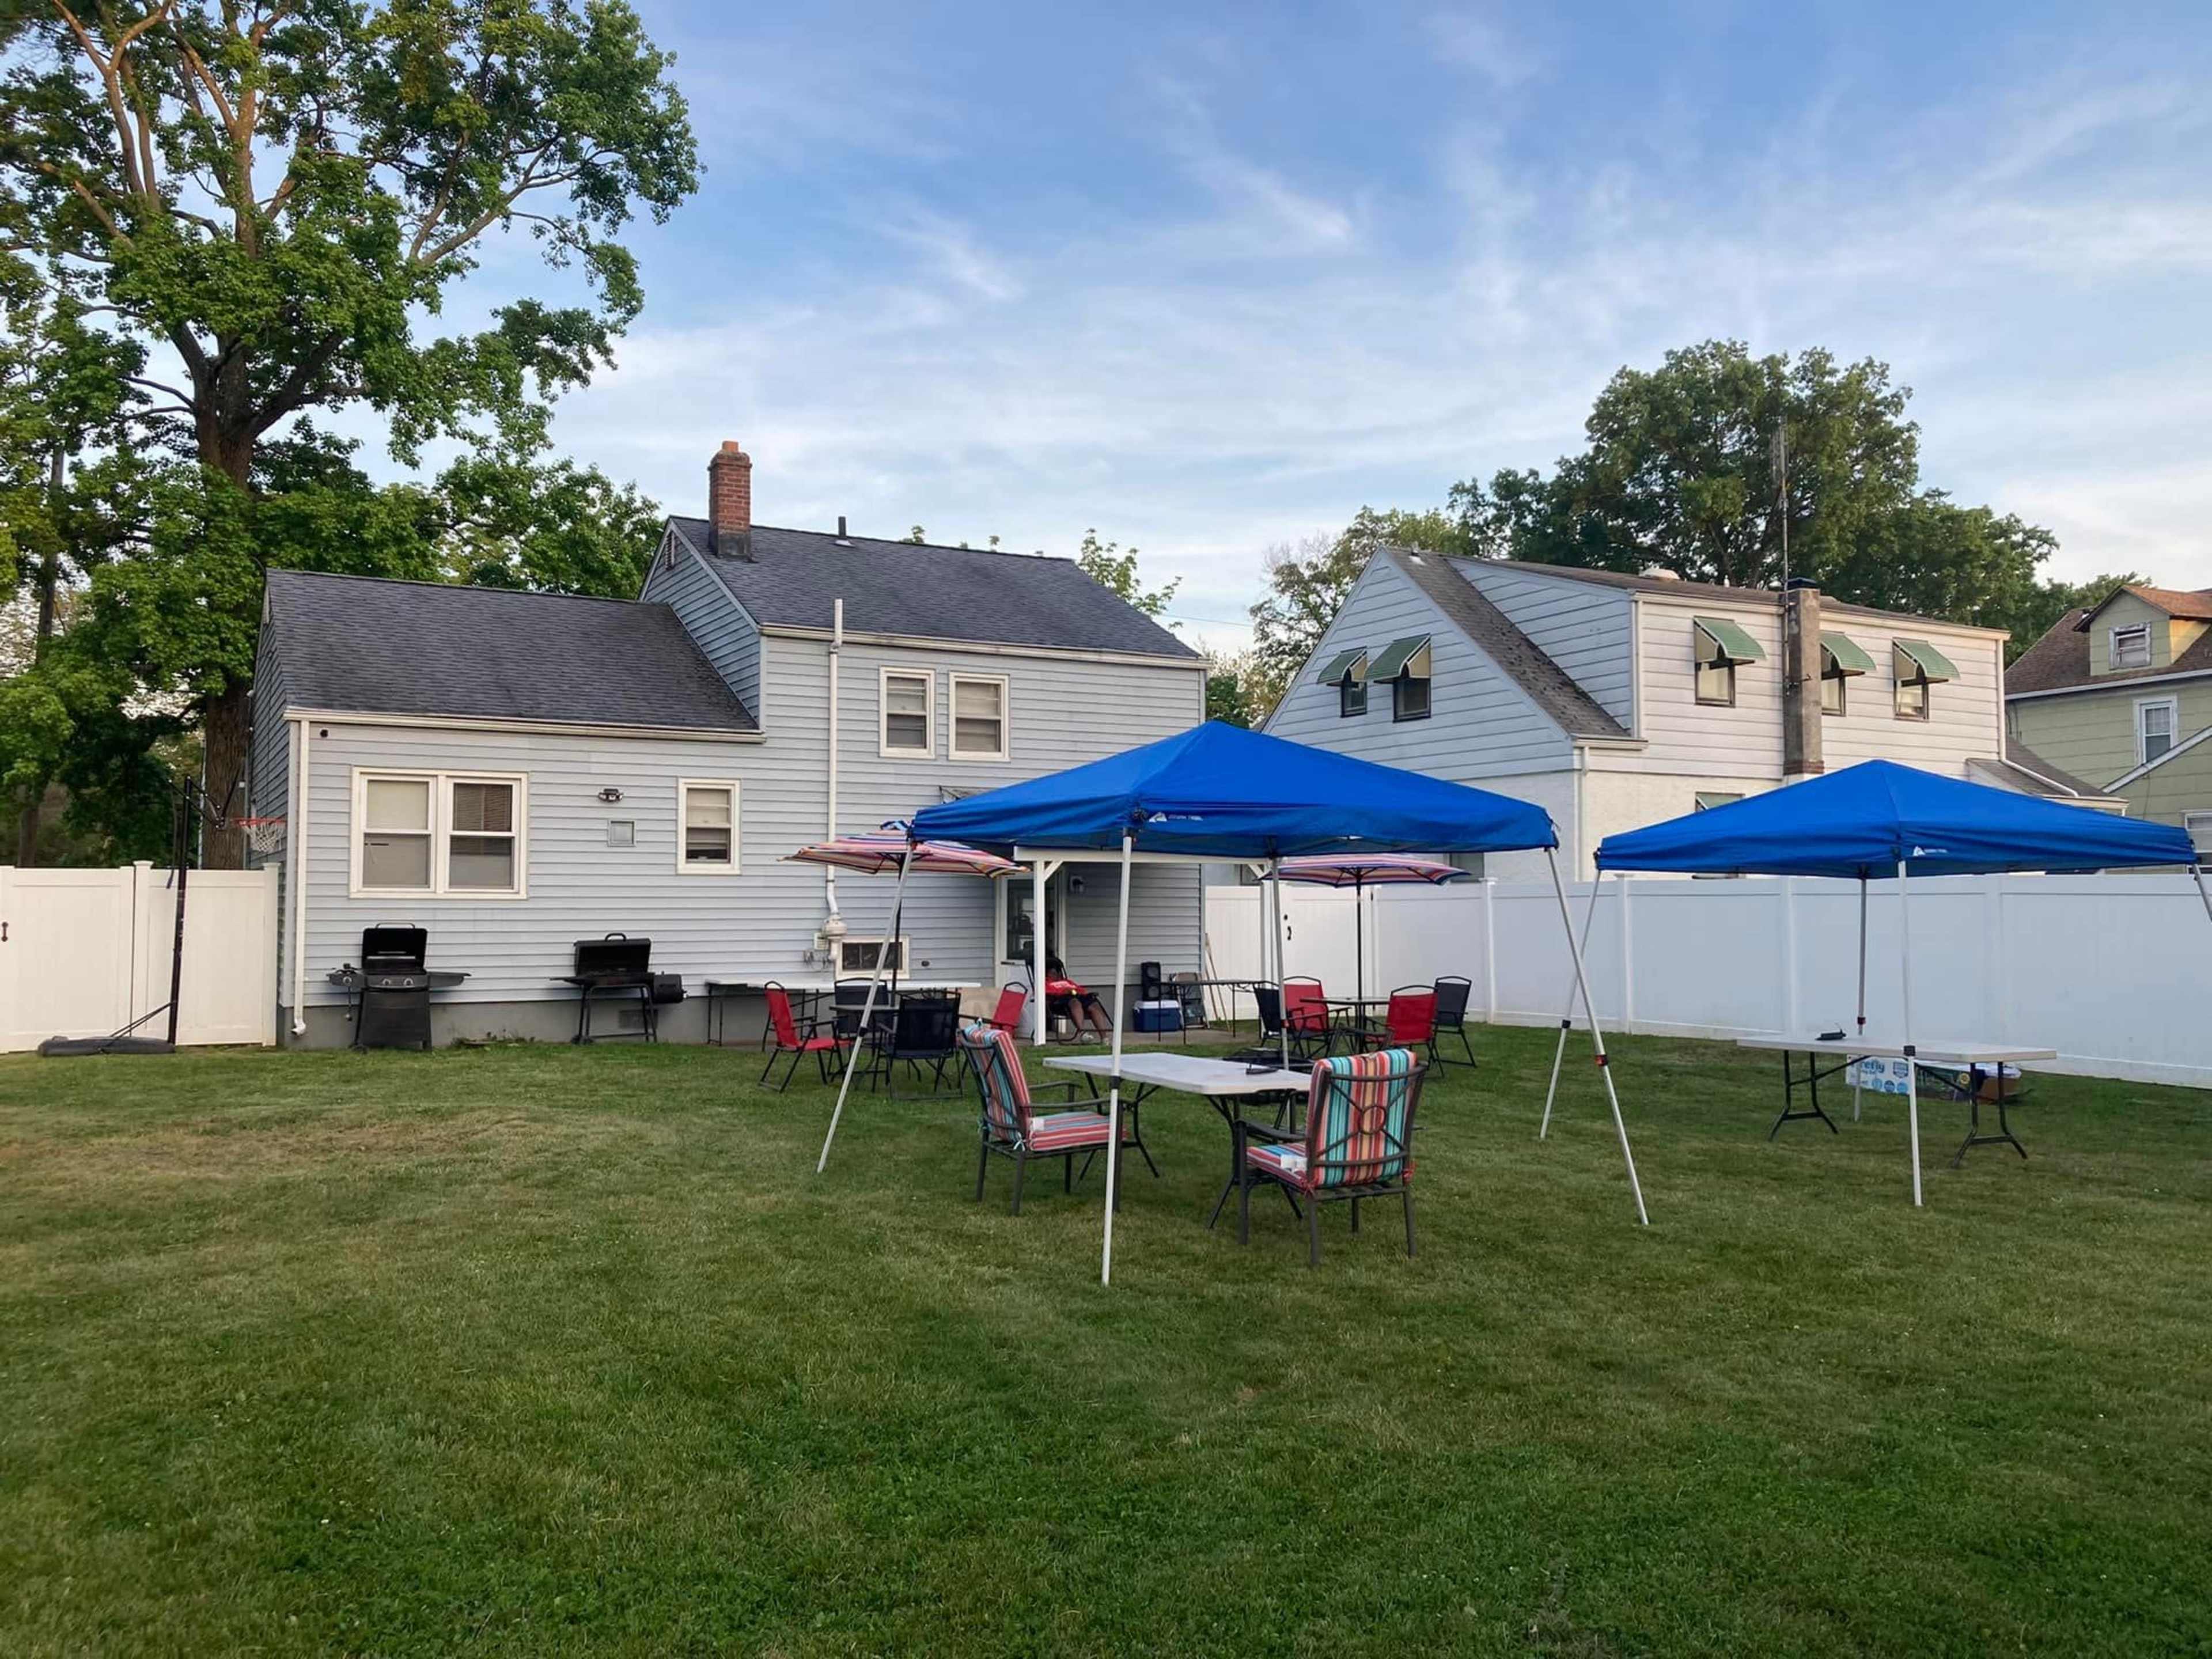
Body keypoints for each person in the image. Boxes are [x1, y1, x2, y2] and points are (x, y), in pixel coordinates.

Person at [1044, 953, 1112, 1038]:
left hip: (1077, 996)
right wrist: (1064, 991)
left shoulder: (1068, 982)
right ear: (1048, 974)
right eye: (1053, 973)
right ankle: (1082, 1032)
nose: (1057, 975)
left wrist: (1080, 992)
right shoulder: (1046, 983)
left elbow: (1081, 990)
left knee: (1094, 1004)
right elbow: (1048, 993)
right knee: (1075, 1002)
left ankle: (1104, 1037)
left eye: (1058, 973)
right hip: (1060, 1000)